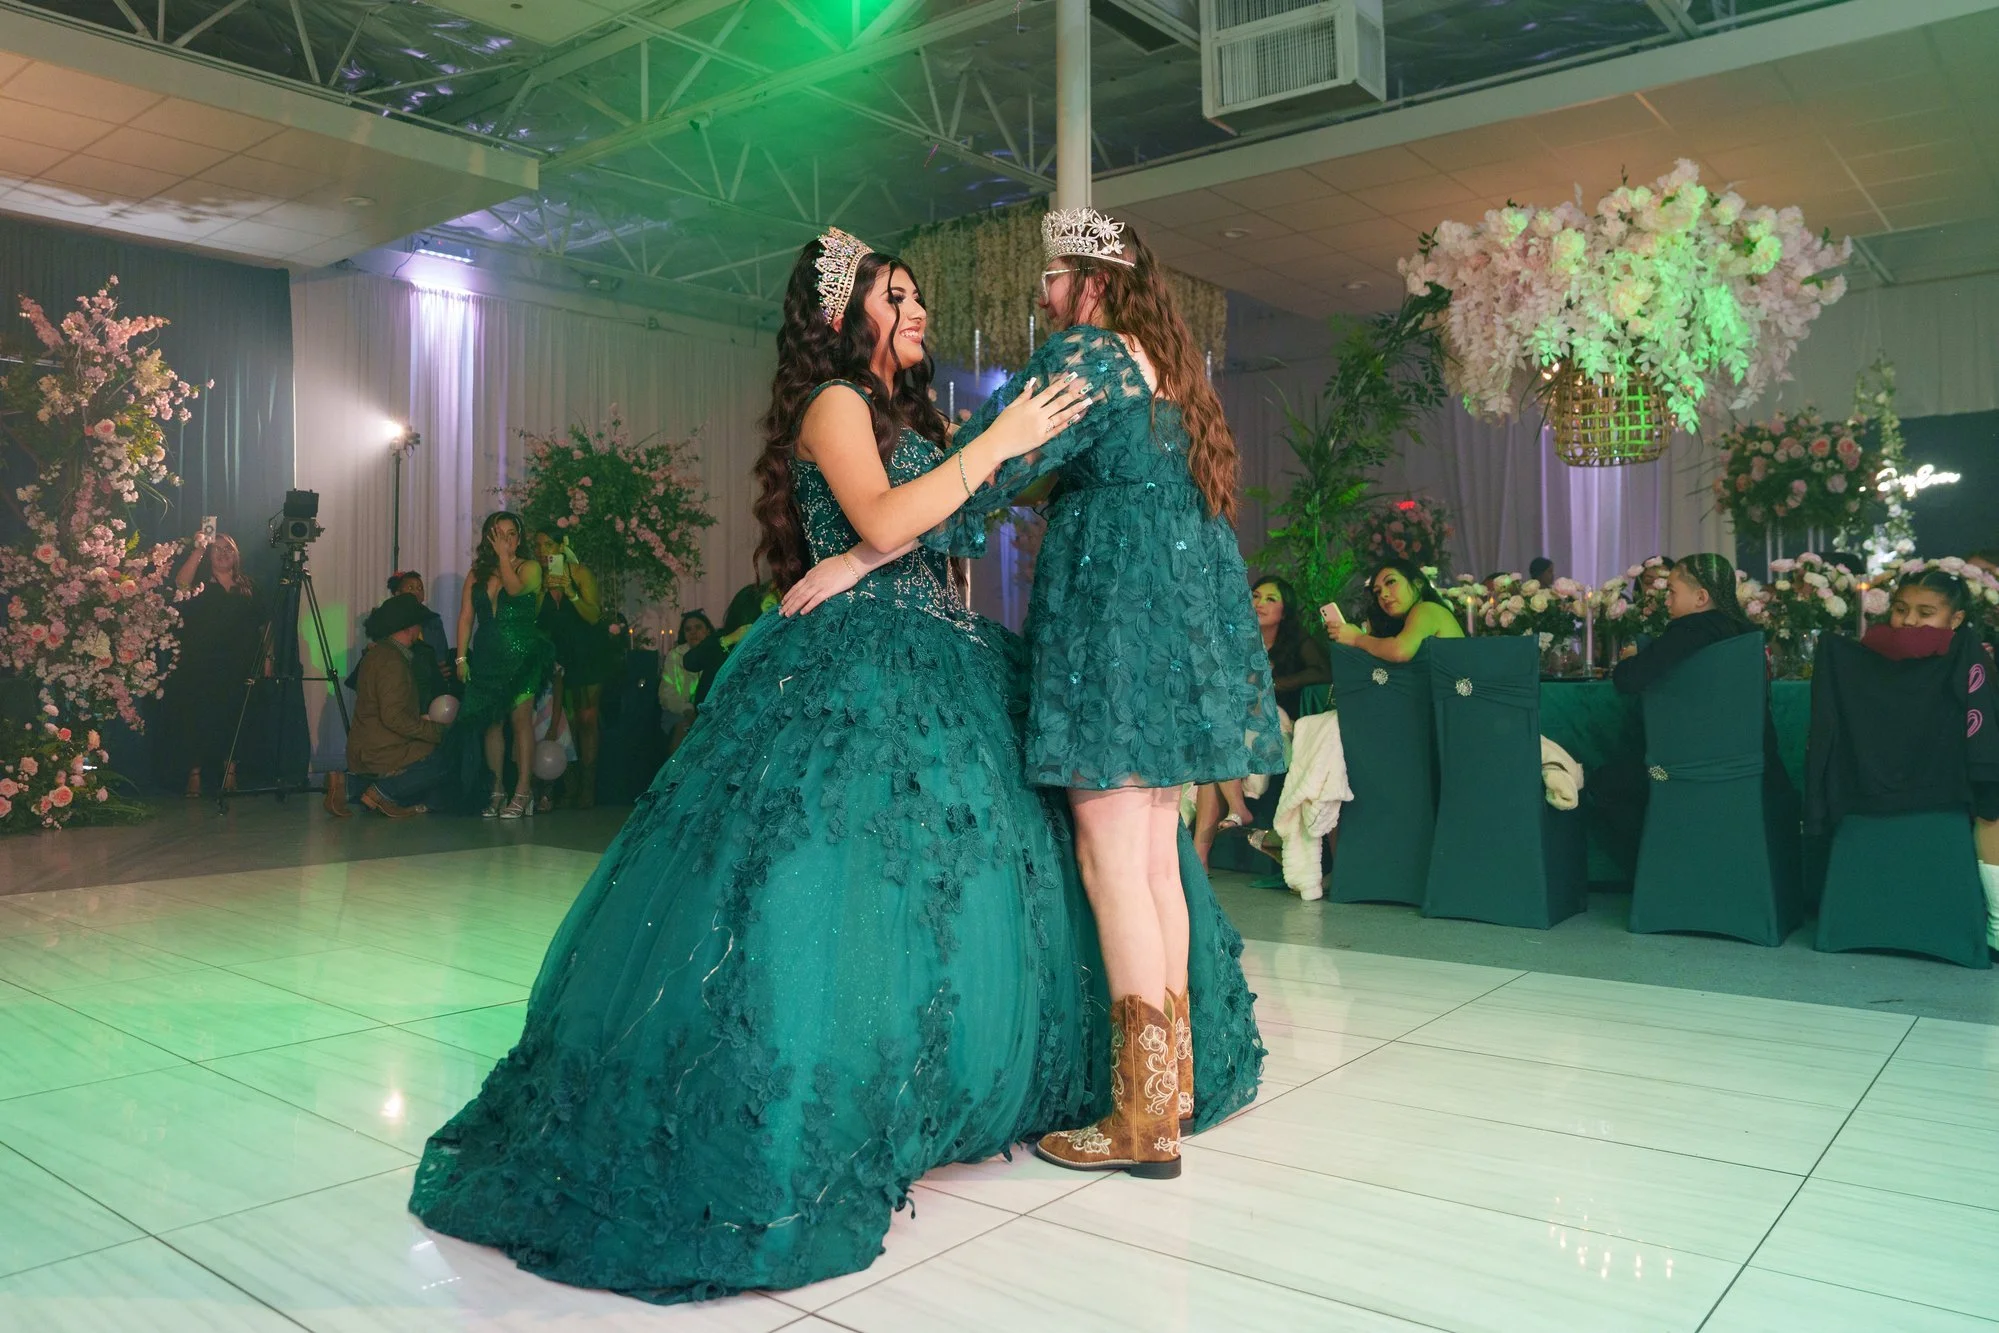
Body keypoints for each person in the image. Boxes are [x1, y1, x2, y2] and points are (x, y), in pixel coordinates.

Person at [408, 229, 1263, 1302]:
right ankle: (1101, 1090)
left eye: (914, 295)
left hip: (944, 645)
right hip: (854, 656)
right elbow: (906, 512)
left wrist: (961, 473)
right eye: (893, 296)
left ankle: (1129, 1089)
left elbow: (945, 512)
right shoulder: (838, 407)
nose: (917, 311)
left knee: (1059, 858)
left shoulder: (922, 411)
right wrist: (959, 476)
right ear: (843, 316)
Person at [893, 207, 1280, 1177]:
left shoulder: (1090, 358)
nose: (1042, 294)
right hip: (1170, 644)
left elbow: (992, 459)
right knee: (1155, 862)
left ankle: (1140, 1121)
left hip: (1108, 638)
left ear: (1095, 285)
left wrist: (930, 469)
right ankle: (1172, 1089)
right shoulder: (1166, 373)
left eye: (1055, 278)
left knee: (1115, 866)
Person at [1860, 568, 1999, 944]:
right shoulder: (1878, 650)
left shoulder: (1966, 658)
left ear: (1955, 619)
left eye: (1925, 613)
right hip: (1919, 775)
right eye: (1901, 609)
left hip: (1904, 773)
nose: (1908, 622)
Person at [1193, 575, 1329, 865]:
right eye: (1256, 596)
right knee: (1214, 746)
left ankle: (1212, 840)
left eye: (1271, 599)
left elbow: (1321, 673)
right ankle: (1208, 845)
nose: (1260, 603)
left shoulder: (1297, 642)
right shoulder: (1235, 640)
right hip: (1232, 722)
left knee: (1221, 736)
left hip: (1278, 723)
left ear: (1285, 610)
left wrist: (1275, 683)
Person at [456, 511, 555, 819]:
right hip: (487, 654)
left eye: (511, 534)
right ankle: (496, 787)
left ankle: (523, 791)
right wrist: (461, 657)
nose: (506, 540)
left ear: (520, 537)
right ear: (489, 537)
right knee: (492, 722)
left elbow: (513, 589)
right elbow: (466, 617)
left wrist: (503, 558)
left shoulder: (531, 568)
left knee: (520, 719)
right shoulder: (477, 573)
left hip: (521, 653)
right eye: (499, 534)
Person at [325, 593, 453, 819]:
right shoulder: (392, 661)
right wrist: (436, 732)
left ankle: (349, 785)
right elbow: (394, 717)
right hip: (381, 748)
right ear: (409, 628)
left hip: (370, 746)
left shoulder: (380, 654)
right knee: (443, 759)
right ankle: (382, 792)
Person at [158, 530, 263, 797]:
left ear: (237, 554)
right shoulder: (201, 583)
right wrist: (198, 549)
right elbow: (179, 587)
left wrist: (267, 657)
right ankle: (195, 774)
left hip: (240, 662)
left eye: (228, 548)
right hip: (202, 662)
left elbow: (262, 623)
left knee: (237, 716)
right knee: (199, 717)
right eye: (217, 549)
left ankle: (231, 771)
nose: (223, 553)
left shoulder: (247, 585)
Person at [533, 530, 615, 808]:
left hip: (589, 652)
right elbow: (531, 620)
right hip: (559, 657)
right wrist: (543, 589)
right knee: (562, 720)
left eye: (549, 544)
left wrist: (570, 592)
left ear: (561, 546)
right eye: (538, 546)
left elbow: (595, 616)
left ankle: (588, 787)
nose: (543, 551)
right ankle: (565, 783)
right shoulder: (535, 579)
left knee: (588, 718)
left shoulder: (579, 573)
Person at [1612, 553, 1756, 695]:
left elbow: (1628, 679)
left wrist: (1628, 658)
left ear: (1701, 597)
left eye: (1672, 592)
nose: (1667, 602)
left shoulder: (1689, 629)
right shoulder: (1747, 631)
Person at [1330, 559, 1465, 662]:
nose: (1383, 595)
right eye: (1377, 592)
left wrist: (1357, 638)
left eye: (1390, 582)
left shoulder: (1427, 608)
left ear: (1418, 583)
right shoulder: (1406, 624)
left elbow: (1399, 651)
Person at [657, 610, 712, 754]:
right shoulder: (675, 656)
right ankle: (674, 774)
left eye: (698, 627)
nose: (693, 632)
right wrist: (687, 710)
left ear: (707, 630)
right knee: (683, 729)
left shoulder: (717, 652)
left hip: (709, 712)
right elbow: (667, 694)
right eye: (688, 629)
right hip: (678, 712)